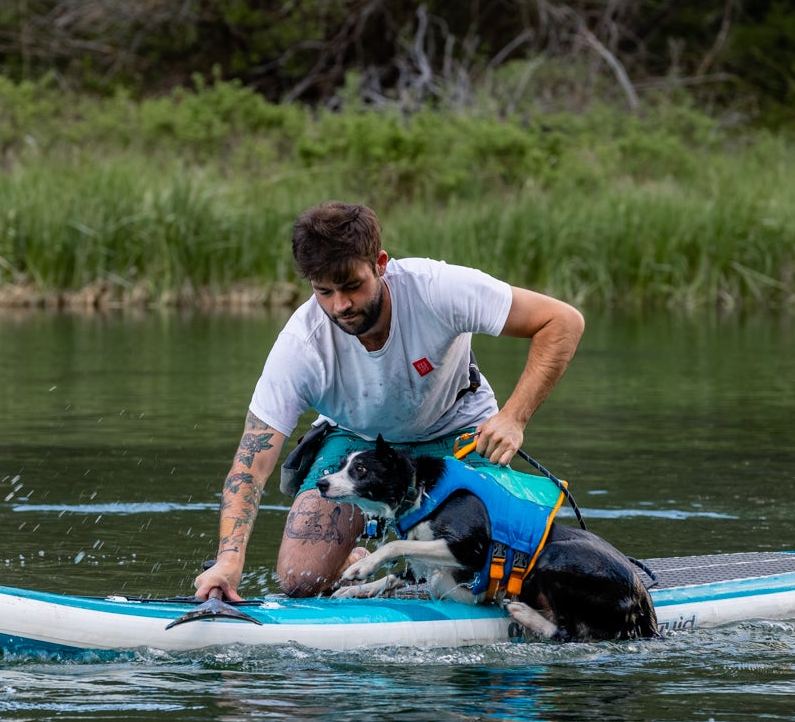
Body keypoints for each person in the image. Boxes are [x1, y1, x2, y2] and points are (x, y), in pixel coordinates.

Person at [192, 201, 585, 601]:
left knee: (491, 571)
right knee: (300, 580)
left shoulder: (437, 289)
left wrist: (513, 417)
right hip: (356, 441)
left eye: (350, 286)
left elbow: (562, 321)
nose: (339, 305)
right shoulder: (301, 345)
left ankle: (420, 570)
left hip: (457, 431)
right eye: (323, 291)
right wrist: (228, 561)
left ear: (379, 263)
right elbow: (251, 465)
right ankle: (358, 561)